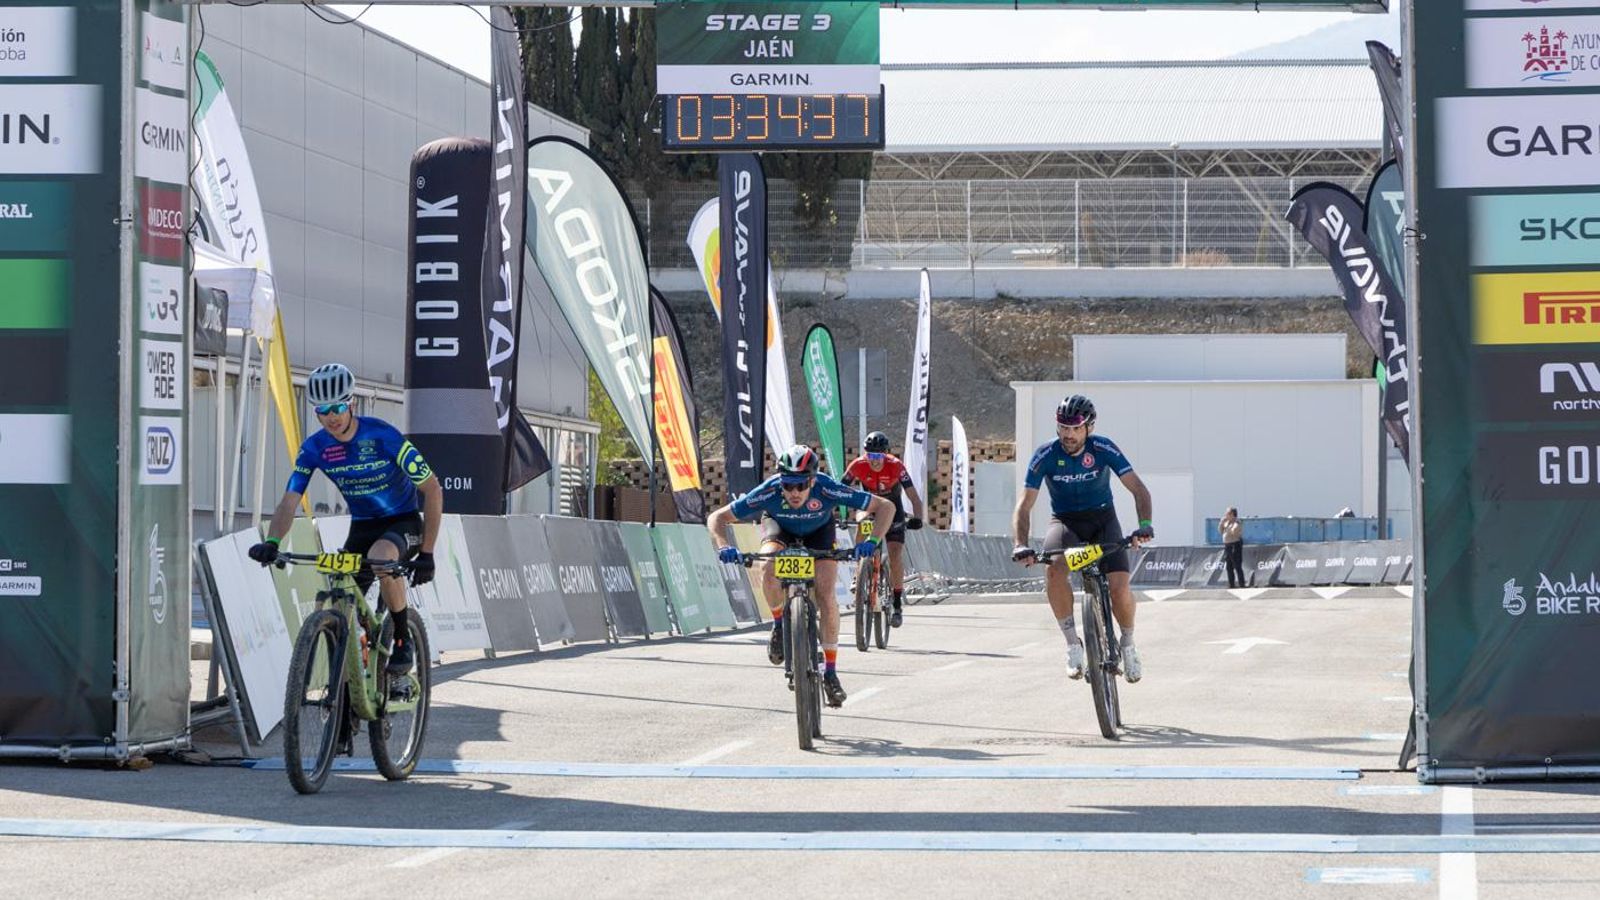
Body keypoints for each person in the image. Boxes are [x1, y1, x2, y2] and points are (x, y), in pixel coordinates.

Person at [247, 362, 443, 675]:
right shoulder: (315, 448)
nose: (332, 417)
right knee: (339, 593)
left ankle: (403, 639)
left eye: (338, 407)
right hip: (362, 526)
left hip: (402, 521)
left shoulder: (382, 435)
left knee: (380, 559)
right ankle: (349, 680)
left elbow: (432, 489)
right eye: (323, 410)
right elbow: (289, 501)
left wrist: (429, 552)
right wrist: (273, 541)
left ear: (351, 403)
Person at [706, 444, 896, 707]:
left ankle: (830, 671)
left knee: (826, 596)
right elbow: (717, 517)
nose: (794, 492)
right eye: (788, 485)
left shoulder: (828, 487)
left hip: (820, 532)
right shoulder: (770, 489)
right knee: (768, 565)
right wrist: (724, 546)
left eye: (802, 485)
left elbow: (885, 506)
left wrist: (873, 540)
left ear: (813, 480)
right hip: (780, 529)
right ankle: (778, 624)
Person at [1011, 394, 1154, 682]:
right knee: (1053, 571)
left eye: (1075, 428)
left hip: (1104, 520)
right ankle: (1072, 645)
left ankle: (1127, 644)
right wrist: (1020, 544)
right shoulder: (1045, 455)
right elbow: (1024, 505)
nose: (1068, 434)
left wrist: (1144, 525)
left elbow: (1139, 489)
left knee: (1118, 588)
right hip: (1066, 523)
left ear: (1089, 427)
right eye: (1063, 427)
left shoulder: (1103, 448)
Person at [840, 431, 925, 627]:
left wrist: (918, 518)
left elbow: (913, 496)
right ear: (865, 453)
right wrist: (838, 515)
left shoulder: (896, 466)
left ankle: (896, 603)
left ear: (886, 454)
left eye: (878, 456)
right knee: (863, 521)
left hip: (894, 510)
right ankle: (860, 570)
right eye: (871, 455)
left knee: (895, 554)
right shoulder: (858, 465)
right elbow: (839, 491)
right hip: (870, 507)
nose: (875, 461)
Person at [1221, 506, 1245, 589]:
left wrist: (1232, 526)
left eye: (1227, 513)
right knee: (1229, 566)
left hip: (1234, 544)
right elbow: (1221, 531)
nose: (1226, 515)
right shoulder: (1226, 522)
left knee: (1237, 565)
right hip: (1227, 545)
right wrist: (1222, 523)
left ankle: (1242, 584)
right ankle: (1231, 584)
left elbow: (1234, 531)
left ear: (1232, 514)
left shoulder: (1237, 522)